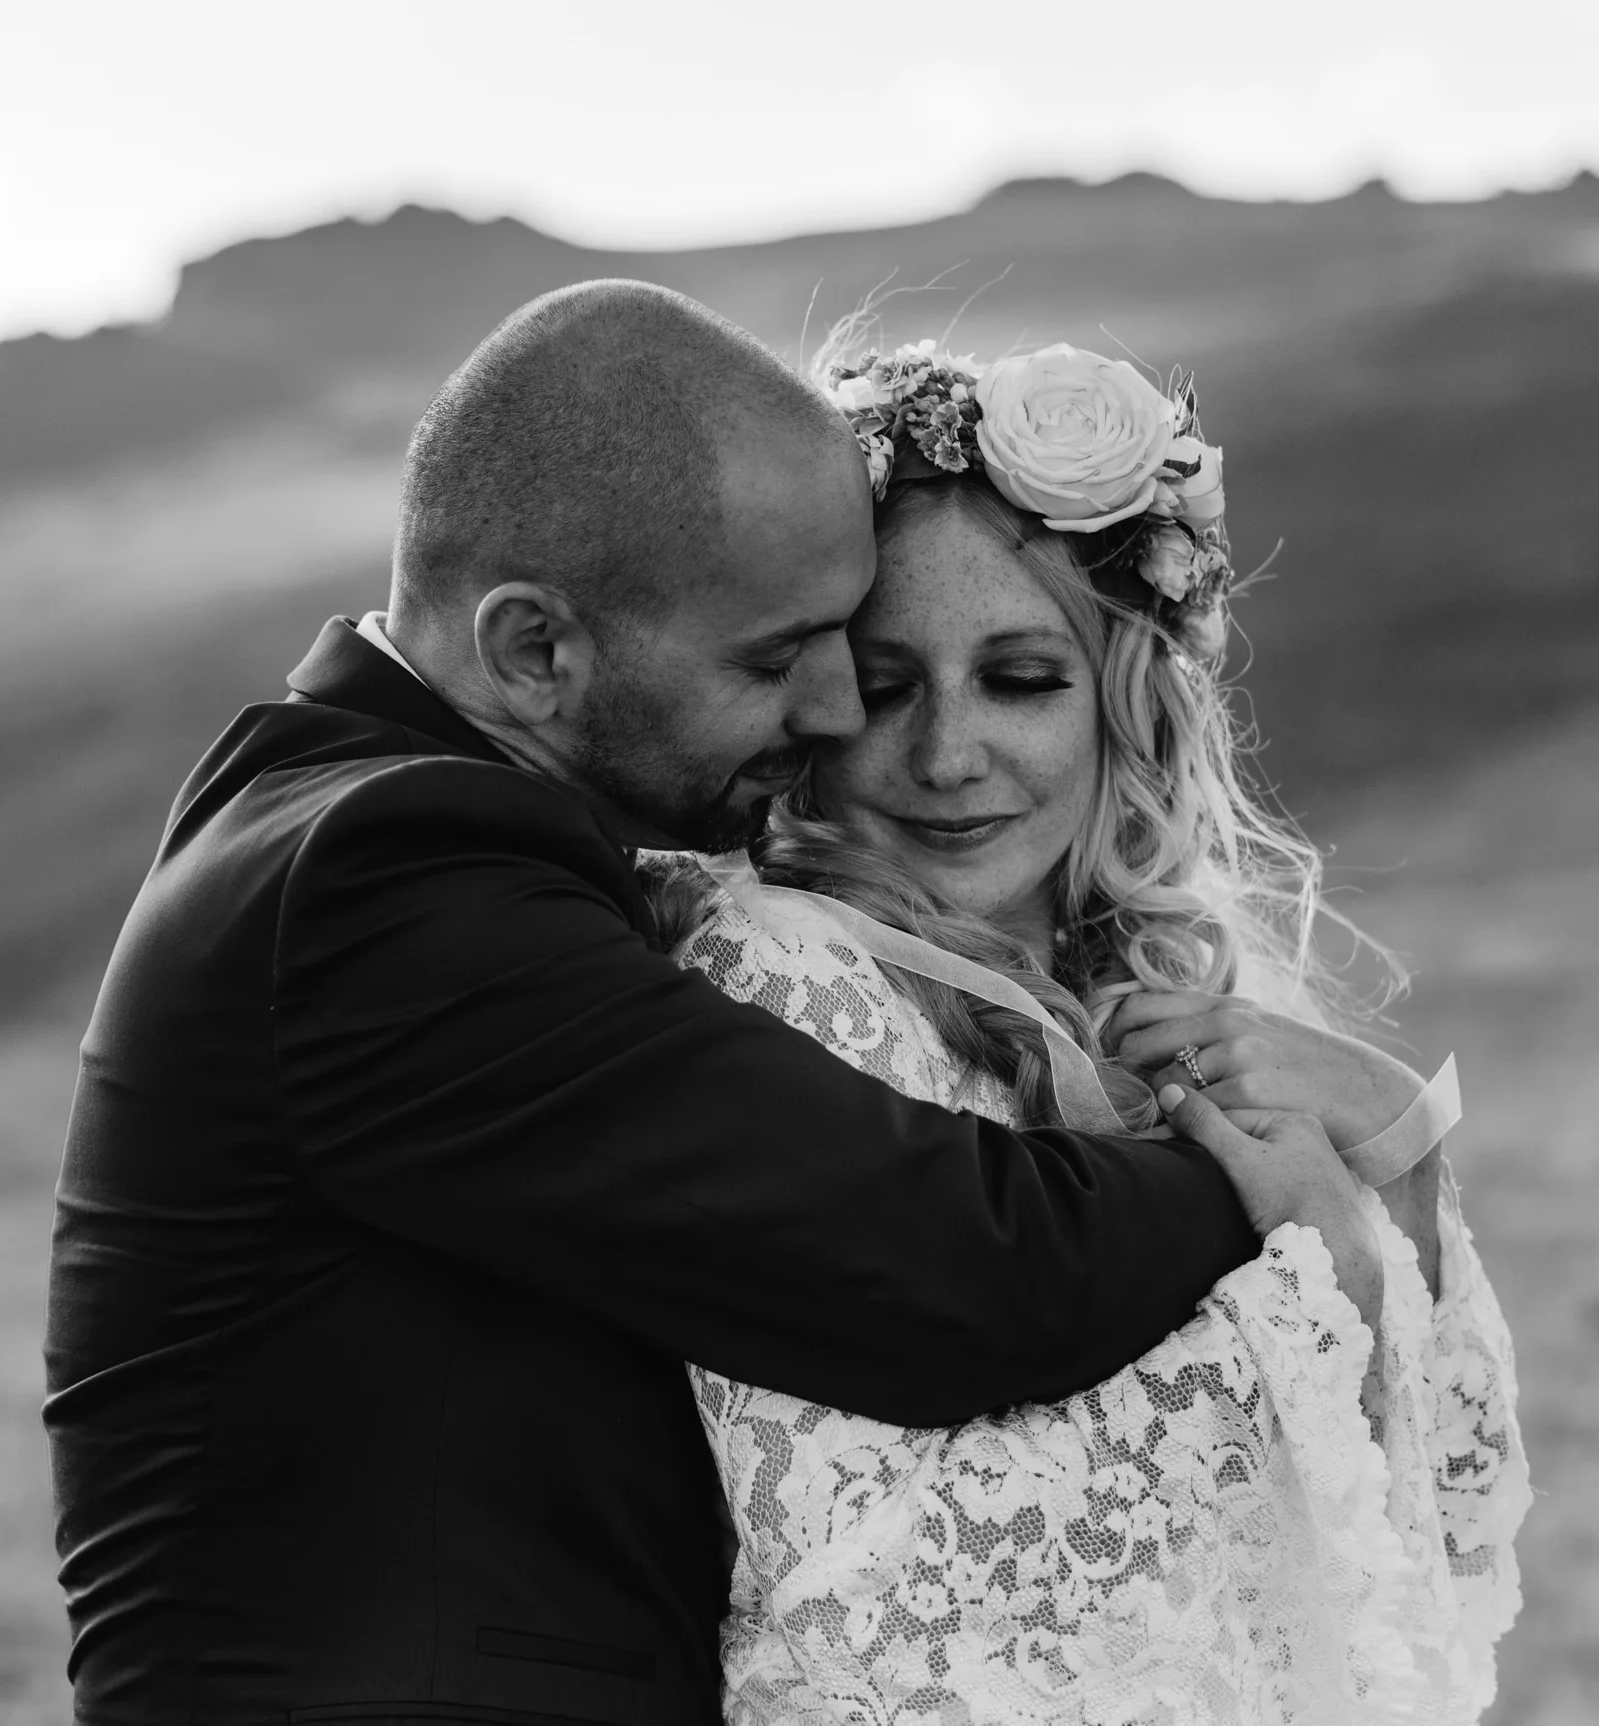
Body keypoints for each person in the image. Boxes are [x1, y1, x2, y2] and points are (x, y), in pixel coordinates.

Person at [43, 282, 1331, 1726]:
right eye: (777, 657)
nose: (841, 712)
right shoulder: (384, 880)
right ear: (534, 650)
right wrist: (1250, 1170)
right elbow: (947, 1259)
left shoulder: (369, 832)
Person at [646, 335, 1530, 1723]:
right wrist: (1321, 1280)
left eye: (1019, 676)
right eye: (886, 686)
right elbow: (887, 1591)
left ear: (1125, 698)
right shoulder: (781, 982)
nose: (945, 754)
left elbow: (1446, 1524)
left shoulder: (1158, 998)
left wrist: (1395, 1137)